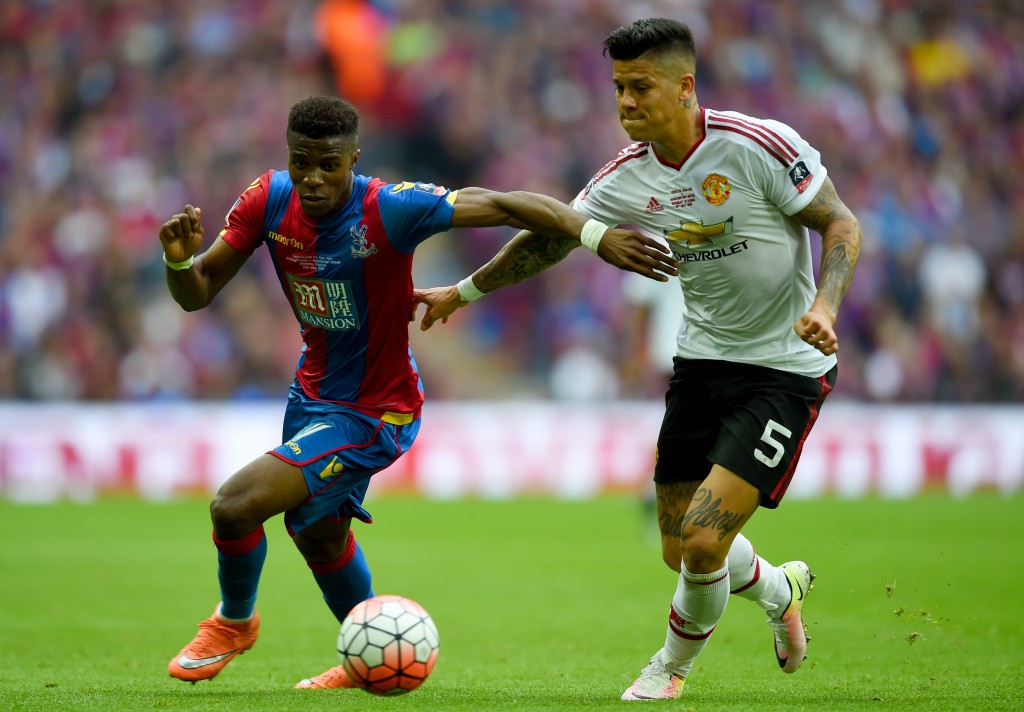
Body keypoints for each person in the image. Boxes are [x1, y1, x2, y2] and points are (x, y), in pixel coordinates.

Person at [159, 95, 677, 689]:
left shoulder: (391, 208)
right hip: (312, 396)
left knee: (235, 504)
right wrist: (179, 263)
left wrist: (594, 234)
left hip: (378, 410)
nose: (313, 178)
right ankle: (370, 654)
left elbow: (507, 205)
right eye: (302, 162)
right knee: (316, 530)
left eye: (329, 164)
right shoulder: (268, 199)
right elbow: (197, 292)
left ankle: (233, 622)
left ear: (354, 159)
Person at [412, 18, 861, 701]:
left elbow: (840, 223)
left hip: (784, 368)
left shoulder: (758, 146)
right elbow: (549, 237)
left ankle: (668, 670)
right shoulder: (628, 175)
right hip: (701, 364)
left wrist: (825, 307)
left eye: (640, 87)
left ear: (684, 87)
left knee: (705, 543)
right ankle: (779, 589)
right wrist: (465, 290)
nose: (624, 102)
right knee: (679, 549)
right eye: (618, 88)